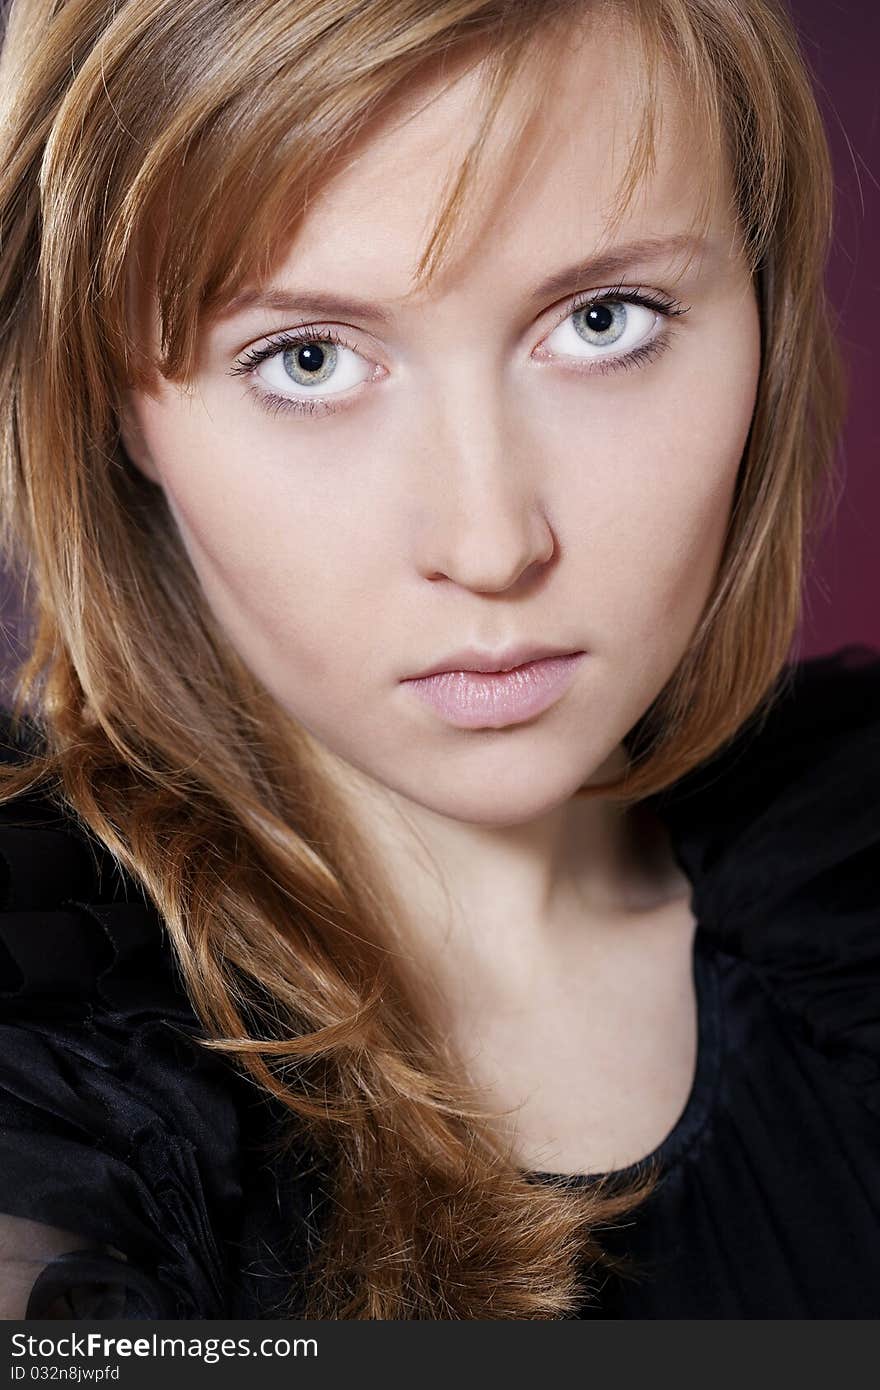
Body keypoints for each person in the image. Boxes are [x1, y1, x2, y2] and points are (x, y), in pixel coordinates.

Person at [0, 0, 876, 1321]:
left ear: (761, 313)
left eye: (603, 321)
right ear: (113, 402)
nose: (489, 542)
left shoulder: (845, 872)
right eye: (307, 357)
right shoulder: (51, 1049)